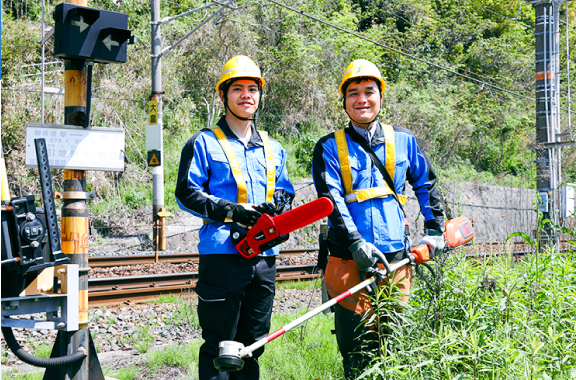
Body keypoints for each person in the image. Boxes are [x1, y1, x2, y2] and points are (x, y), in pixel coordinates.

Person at [312, 59, 446, 379]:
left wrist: (435, 229)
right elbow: (331, 201)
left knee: (394, 346)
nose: (362, 99)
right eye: (353, 93)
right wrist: (357, 242)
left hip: (396, 262)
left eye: (369, 91)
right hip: (348, 260)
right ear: (344, 101)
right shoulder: (329, 147)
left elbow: (425, 185)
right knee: (356, 350)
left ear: (381, 97)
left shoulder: (404, 141)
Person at [175, 55, 294, 380]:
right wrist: (233, 212)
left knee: (253, 347)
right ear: (223, 95)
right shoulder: (202, 142)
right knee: (219, 349)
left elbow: (284, 189)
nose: (246, 95)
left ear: (259, 95)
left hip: (265, 257)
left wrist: (280, 207)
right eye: (238, 88)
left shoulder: (274, 147)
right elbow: (186, 192)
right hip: (222, 256)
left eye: (252, 89)